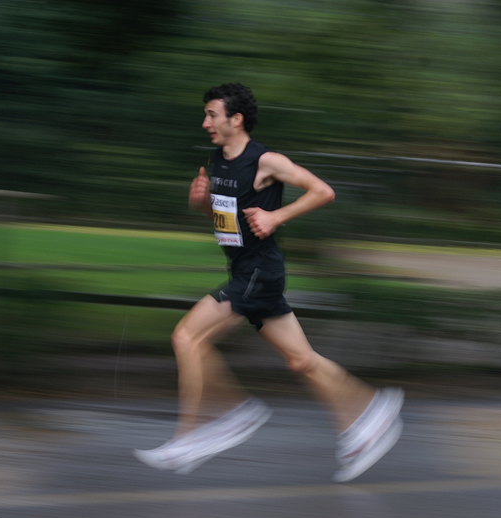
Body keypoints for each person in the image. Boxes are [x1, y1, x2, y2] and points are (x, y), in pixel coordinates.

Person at [134, 83, 403, 482]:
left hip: (258, 272)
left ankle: (203, 429)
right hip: (246, 270)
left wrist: (278, 217)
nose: (205, 121)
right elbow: (227, 221)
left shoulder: (266, 161)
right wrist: (203, 201)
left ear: (235, 119)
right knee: (301, 360)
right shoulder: (217, 160)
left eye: (212, 114)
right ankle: (370, 415)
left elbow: (323, 191)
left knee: (187, 338)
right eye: (206, 114)